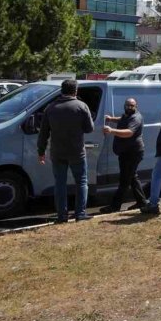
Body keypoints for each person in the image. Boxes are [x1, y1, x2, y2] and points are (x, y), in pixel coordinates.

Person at [37, 79, 95, 223]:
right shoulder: (81, 106)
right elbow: (89, 129)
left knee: (60, 184)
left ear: (62, 90)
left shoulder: (50, 108)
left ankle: (62, 216)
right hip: (77, 152)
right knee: (81, 182)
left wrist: (41, 151)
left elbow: (43, 133)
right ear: (75, 91)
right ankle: (80, 214)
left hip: (57, 152)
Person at [99, 97, 148, 214]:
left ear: (136, 106)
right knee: (132, 177)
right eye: (128, 105)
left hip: (133, 153)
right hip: (126, 152)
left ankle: (115, 206)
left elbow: (129, 132)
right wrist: (111, 119)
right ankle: (142, 202)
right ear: (124, 105)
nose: (129, 107)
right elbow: (122, 119)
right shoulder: (127, 115)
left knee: (124, 180)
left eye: (132, 105)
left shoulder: (136, 118)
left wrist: (111, 130)